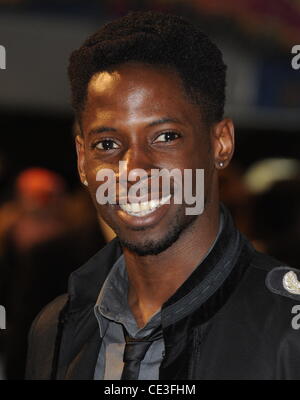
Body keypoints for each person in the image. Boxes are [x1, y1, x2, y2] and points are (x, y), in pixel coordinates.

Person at [25, 11, 300, 380]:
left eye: (165, 136)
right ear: (81, 161)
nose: (133, 169)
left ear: (220, 144)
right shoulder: (54, 329)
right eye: (107, 144)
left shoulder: (287, 328)